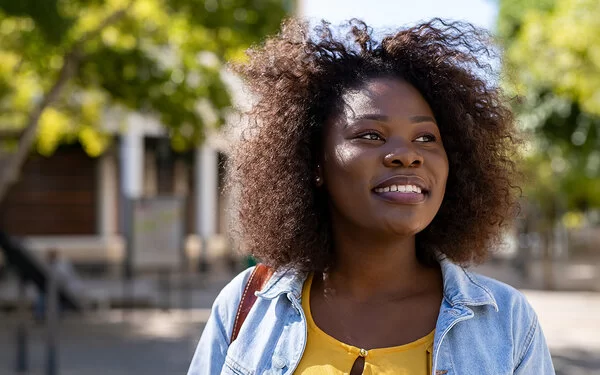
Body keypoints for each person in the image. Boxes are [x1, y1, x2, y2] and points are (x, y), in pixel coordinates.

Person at [188, 18, 555, 374]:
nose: (407, 154)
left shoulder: (507, 323)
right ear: (315, 163)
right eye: (371, 135)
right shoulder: (248, 305)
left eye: (426, 138)